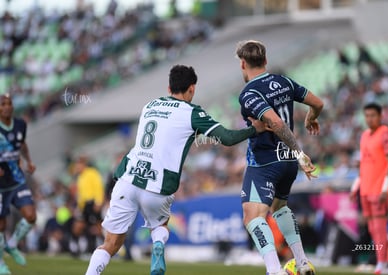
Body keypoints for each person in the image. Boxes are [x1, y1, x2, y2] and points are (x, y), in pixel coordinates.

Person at [84, 64, 268, 275]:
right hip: (157, 186)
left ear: (169, 87)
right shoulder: (192, 112)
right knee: (160, 224)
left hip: (127, 179)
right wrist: (255, 129)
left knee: (110, 244)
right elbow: (226, 138)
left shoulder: (150, 105)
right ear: (192, 89)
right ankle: (158, 245)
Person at [235, 40, 323, 275]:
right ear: (265, 61)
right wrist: (311, 117)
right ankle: (302, 262)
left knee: (253, 217)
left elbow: (276, 122)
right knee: (280, 207)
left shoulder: (249, 93)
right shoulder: (283, 82)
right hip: (287, 164)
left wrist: (300, 152)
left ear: (243, 64)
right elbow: (318, 103)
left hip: (266, 162)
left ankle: (274, 271)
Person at [349, 103, 388, 275]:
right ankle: (382, 262)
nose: (369, 119)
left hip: (379, 189)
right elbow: (363, 164)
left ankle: (383, 264)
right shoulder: (364, 135)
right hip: (366, 189)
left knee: (379, 227)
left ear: (380, 116)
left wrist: (386, 187)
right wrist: (355, 186)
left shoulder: (386, 134)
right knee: (371, 228)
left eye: (373, 115)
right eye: (367, 115)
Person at [0, 94, 36, 275]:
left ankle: (12, 245)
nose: (7, 107)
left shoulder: (21, 124)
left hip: (16, 179)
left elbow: (22, 144)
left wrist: (28, 160)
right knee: (1, 224)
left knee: (31, 216)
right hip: (0, 185)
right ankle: (0, 264)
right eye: (3, 104)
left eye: (9, 103)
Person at [74, 155, 105, 254]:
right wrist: (79, 207)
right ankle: (77, 248)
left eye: (79, 165)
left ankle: (108, 247)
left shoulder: (92, 173)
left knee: (98, 227)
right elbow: (81, 194)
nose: (77, 167)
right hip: (84, 206)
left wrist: (98, 202)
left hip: (92, 203)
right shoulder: (80, 176)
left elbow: (98, 187)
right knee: (80, 226)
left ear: (83, 165)